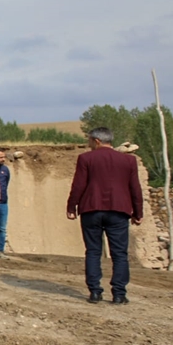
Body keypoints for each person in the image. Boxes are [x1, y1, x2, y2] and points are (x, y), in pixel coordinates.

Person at [67, 127, 143, 304]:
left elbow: (78, 185)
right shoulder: (128, 161)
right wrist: (138, 212)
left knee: (93, 251)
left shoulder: (86, 158)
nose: (88, 144)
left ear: (97, 141)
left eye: (89, 140)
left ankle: (95, 292)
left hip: (91, 209)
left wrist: (72, 207)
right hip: (119, 210)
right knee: (119, 254)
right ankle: (119, 294)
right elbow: (135, 188)